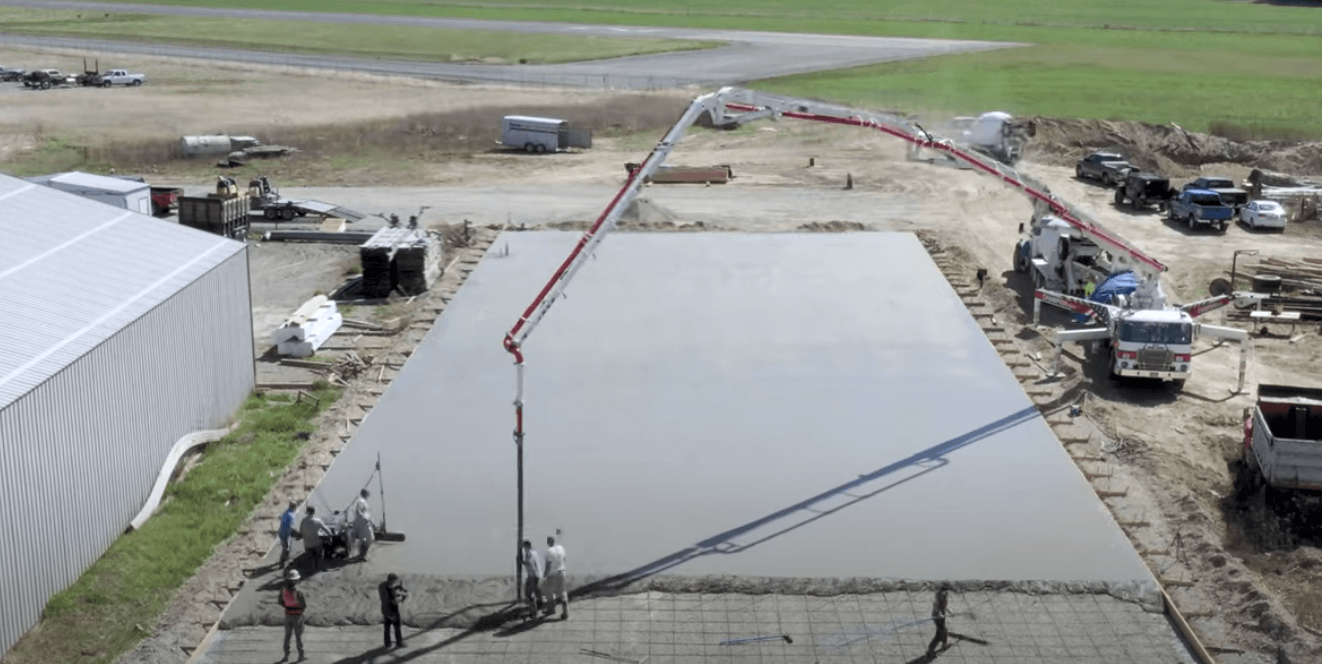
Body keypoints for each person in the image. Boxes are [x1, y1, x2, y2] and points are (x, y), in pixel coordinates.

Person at [278, 569, 307, 662]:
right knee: (298, 637)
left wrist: (288, 606)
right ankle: (301, 655)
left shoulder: (283, 590)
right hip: (297, 616)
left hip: (288, 616)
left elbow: (280, 602)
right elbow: (304, 605)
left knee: (287, 636)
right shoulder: (299, 592)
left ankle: (286, 656)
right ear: (296, 580)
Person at [378, 572, 409, 648]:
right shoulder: (387, 589)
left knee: (387, 626)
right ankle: (399, 642)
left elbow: (392, 594)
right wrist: (400, 598)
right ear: (391, 580)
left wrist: (398, 592)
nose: (395, 582)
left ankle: (387, 643)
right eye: (394, 581)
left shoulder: (384, 587)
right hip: (391, 609)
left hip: (386, 609)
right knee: (396, 626)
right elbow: (391, 600)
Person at [543, 535, 568, 620]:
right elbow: (564, 559)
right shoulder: (561, 548)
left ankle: (551, 609)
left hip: (553, 573)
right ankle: (565, 612)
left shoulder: (549, 551)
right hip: (562, 571)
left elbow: (548, 565)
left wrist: (545, 574)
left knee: (550, 592)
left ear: (548, 542)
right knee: (563, 592)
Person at [300, 507, 330, 572]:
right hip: (316, 543)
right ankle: (320, 567)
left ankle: (312, 568)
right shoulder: (317, 520)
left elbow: (301, 531)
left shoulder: (303, 521)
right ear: (313, 512)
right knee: (319, 555)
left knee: (310, 557)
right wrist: (330, 534)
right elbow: (326, 529)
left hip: (307, 544)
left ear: (307, 512)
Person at [520, 540, 544, 618]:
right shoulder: (535, 552)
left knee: (529, 594)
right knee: (536, 593)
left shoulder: (529, 553)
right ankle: (539, 608)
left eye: (524, 547)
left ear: (527, 546)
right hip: (537, 575)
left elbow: (529, 563)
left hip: (532, 575)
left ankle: (534, 612)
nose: (524, 549)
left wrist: (521, 562)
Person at [926, 584, 951, 659]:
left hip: (941, 616)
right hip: (938, 617)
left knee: (944, 630)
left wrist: (949, 611)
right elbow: (938, 607)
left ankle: (944, 644)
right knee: (940, 633)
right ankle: (930, 650)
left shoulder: (942, 596)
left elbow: (943, 606)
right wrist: (940, 614)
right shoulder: (939, 596)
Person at [351, 489, 374, 562]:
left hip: (363, 522)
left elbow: (363, 512)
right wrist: (365, 519)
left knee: (366, 539)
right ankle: (361, 555)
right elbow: (359, 511)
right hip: (362, 523)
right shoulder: (361, 501)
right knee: (368, 539)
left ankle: (362, 555)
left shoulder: (362, 501)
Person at [278, 501, 298, 567]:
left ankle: (286, 559)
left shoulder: (286, 512)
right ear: (294, 507)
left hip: (282, 532)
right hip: (285, 534)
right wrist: (296, 533)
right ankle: (282, 562)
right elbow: (290, 526)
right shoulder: (290, 515)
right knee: (286, 549)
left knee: (287, 547)